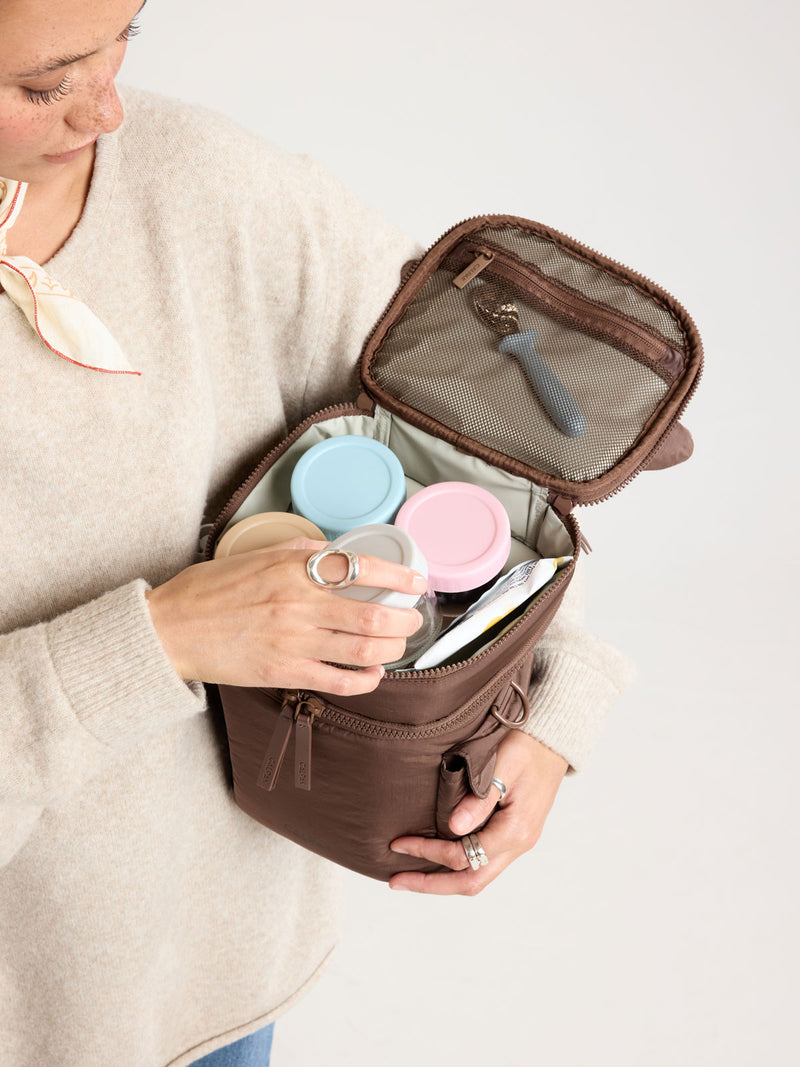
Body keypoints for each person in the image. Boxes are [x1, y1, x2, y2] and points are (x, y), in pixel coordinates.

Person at [0, 1, 634, 1065]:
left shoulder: (211, 181)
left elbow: (467, 460)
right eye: (42, 85)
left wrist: (556, 705)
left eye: (126, 38)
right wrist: (155, 641)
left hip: (223, 973)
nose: (109, 108)